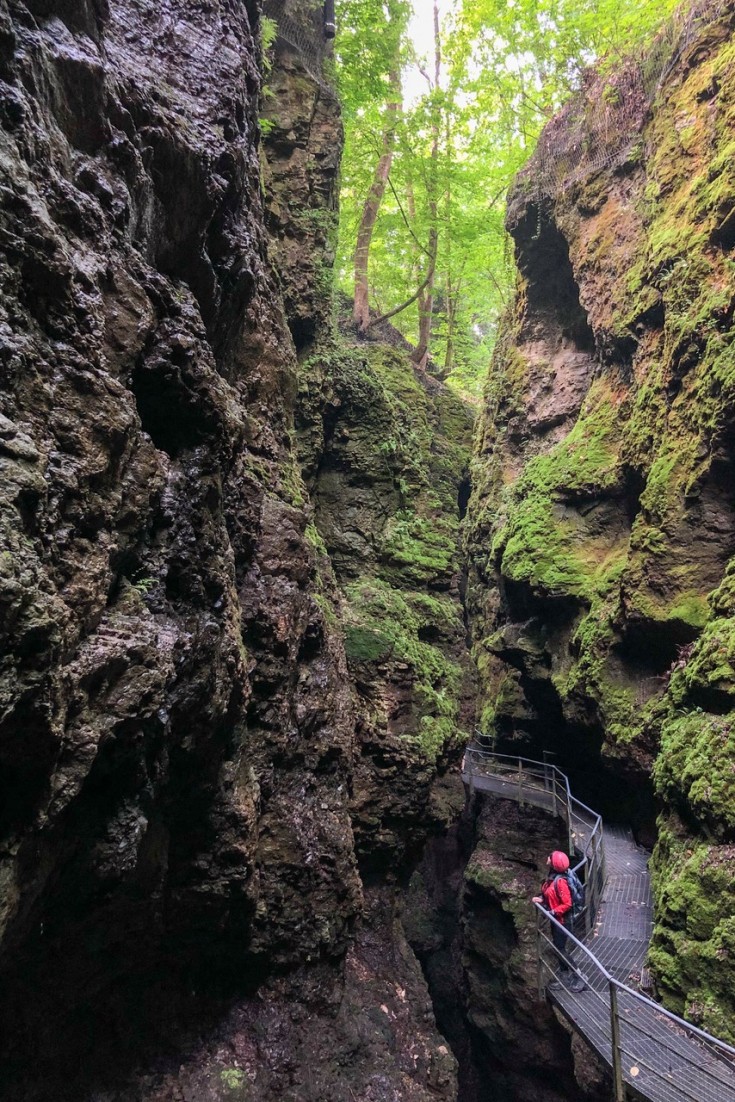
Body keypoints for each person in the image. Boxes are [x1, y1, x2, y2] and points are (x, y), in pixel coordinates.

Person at [533, 851, 587, 992]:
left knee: (560, 949)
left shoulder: (561, 881)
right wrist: (543, 900)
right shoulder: (553, 876)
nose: (548, 857)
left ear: (554, 862)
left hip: (562, 921)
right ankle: (564, 977)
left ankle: (579, 976)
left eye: (550, 856)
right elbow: (551, 895)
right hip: (556, 919)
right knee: (558, 947)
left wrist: (552, 912)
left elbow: (567, 904)